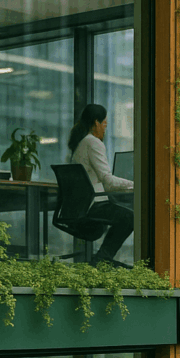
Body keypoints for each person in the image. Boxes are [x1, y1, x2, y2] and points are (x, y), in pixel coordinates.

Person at [69, 103, 134, 268]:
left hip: (82, 205)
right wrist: (138, 185)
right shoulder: (93, 142)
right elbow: (108, 181)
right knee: (130, 217)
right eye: (104, 123)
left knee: (123, 211)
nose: (105, 128)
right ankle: (102, 259)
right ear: (96, 123)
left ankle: (102, 258)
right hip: (92, 205)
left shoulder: (80, 143)